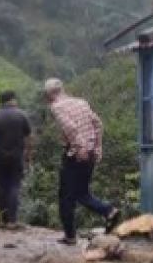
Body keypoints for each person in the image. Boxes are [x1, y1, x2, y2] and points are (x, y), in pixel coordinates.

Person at [44, 78, 121, 245]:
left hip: (77, 154)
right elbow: (98, 123)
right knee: (82, 193)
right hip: (92, 151)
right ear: (62, 89)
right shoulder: (81, 102)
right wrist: (98, 147)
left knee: (66, 196)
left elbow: (70, 128)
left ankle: (70, 235)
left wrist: (80, 147)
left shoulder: (56, 107)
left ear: (49, 94)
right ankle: (109, 210)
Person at [0, 90, 34, 228]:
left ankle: (4, 220)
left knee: (0, 187)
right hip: (16, 157)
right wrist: (28, 156)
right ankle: (12, 220)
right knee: (14, 186)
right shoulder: (22, 115)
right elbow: (29, 139)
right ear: (13, 100)